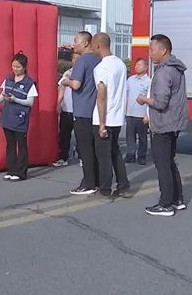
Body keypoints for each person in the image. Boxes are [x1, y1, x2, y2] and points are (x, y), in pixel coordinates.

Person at [136, 34, 189, 217]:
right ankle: (177, 199)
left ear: (163, 50)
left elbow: (160, 102)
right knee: (169, 161)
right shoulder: (176, 68)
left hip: (163, 123)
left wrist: (143, 99)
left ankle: (165, 204)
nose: (150, 53)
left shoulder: (164, 72)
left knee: (162, 164)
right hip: (172, 122)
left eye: (152, 50)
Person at [91, 32, 130, 197]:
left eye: (92, 46)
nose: (92, 49)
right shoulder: (121, 64)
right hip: (117, 117)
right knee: (115, 152)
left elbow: (101, 95)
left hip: (104, 117)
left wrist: (101, 124)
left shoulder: (101, 68)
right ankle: (123, 184)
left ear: (98, 46)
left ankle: (105, 188)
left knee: (103, 155)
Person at [62, 31, 101, 195]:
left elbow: (76, 84)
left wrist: (66, 81)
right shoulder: (98, 59)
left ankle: (88, 184)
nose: (73, 44)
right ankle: (97, 180)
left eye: (76, 41)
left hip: (82, 110)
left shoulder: (82, 60)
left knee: (85, 150)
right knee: (94, 148)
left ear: (86, 43)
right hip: (95, 110)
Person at [0, 52, 38, 181]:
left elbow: (30, 102)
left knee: (21, 146)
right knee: (10, 144)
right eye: (13, 66)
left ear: (24, 67)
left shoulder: (29, 83)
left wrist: (15, 99)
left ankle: (21, 173)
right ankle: (11, 170)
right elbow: (3, 93)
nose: (15, 69)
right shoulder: (9, 78)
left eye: (18, 67)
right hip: (7, 117)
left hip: (20, 119)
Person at [53, 52, 78, 168]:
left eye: (78, 59)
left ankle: (83, 157)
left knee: (81, 136)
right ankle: (63, 157)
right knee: (64, 135)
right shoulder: (67, 73)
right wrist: (58, 104)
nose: (76, 61)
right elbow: (62, 89)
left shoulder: (86, 72)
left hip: (79, 111)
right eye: (74, 59)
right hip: (66, 109)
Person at [125, 58, 150, 165]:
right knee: (130, 136)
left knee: (142, 137)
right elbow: (126, 95)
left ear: (146, 67)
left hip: (142, 115)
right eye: (136, 65)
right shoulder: (130, 80)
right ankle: (130, 155)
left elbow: (150, 99)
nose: (137, 67)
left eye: (140, 65)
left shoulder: (149, 81)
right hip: (130, 113)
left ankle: (141, 156)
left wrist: (147, 115)